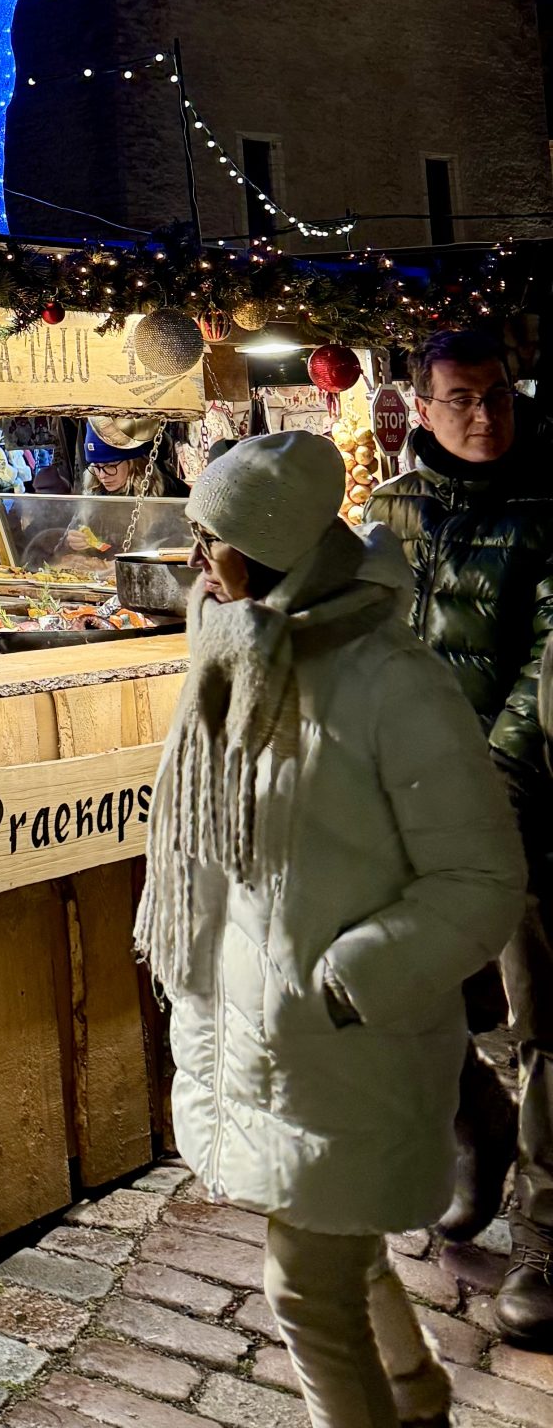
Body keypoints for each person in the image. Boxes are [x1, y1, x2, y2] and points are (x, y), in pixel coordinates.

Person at [141, 431, 524, 1428]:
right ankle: (417, 1395)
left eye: (211, 537)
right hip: (268, 1035)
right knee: (336, 1251)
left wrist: (350, 980)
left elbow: (481, 877)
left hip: (347, 1040)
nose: (195, 557)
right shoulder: (234, 651)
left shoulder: (391, 681)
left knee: (306, 1288)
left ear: (271, 548)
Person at [366, 324, 553, 1337]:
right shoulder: (389, 509)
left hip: (526, 802)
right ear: (422, 407)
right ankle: (478, 1132)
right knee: (433, 999)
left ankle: (545, 1234)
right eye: (462, 398)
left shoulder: (547, 500)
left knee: (543, 1019)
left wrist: (497, 772)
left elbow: (550, 654)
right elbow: (361, 636)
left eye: (498, 395)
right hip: (411, 800)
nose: (484, 415)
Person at [82, 412, 184, 496]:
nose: (102, 475)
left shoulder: (170, 495)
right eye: (96, 466)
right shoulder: (95, 496)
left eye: (110, 466)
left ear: (134, 464)